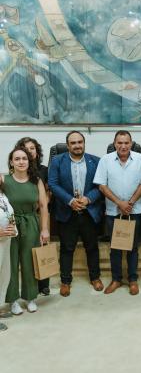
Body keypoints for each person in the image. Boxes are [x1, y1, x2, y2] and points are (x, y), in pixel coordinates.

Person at [94, 130, 141, 295]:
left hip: (135, 210)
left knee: (133, 247)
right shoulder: (106, 160)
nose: (123, 146)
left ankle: (133, 280)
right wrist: (119, 203)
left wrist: (130, 202)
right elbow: (101, 185)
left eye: (126, 143)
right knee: (115, 247)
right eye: (120, 143)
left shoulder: (140, 159)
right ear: (114, 144)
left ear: (131, 143)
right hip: (113, 211)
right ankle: (116, 279)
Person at [48, 131, 104, 297]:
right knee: (67, 248)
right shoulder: (58, 161)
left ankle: (95, 278)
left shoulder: (96, 161)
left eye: (80, 142)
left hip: (89, 211)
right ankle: (65, 281)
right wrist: (71, 201)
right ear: (67, 145)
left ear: (84, 143)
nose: (77, 145)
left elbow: (100, 185)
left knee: (92, 247)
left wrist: (88, 199)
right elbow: (53, 184)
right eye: (73, 143)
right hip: (67, 211)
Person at [2, 147, 49, 314]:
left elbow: (43, 206)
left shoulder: (36, 181)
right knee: (11, 263)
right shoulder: (3, 180)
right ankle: (12, 300)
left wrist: (45, 229)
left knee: (29, 262)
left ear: (29, 162)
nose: (21, 162)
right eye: (17, 159)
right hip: (10, 225)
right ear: (11, 162)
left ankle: (30, 298)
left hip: (31, 223)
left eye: (24, 159)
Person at [15, 137, 50, 295]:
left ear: (37, 151)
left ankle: (43, 285)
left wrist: (43, 202)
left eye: (32, 148)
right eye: (25, 148)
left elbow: (50, 190)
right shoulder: (17, 170)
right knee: (26, 254)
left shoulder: (43, 170)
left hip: (42, 213)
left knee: (42, 250)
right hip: (24, 216)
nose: (29, 151)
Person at [0, 186, 17, 331]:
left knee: (4, 276)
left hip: (6, 241)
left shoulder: (2, 194)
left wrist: (13, 229)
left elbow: (9, 214)